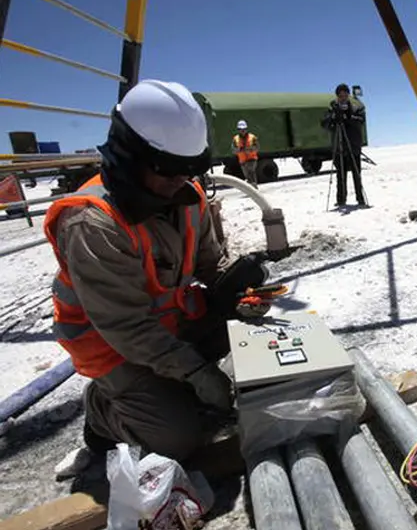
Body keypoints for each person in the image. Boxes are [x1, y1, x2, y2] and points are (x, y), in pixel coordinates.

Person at [43, 80, 270, 462]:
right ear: (130, 157)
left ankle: (167, 387)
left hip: (168, 328)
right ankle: (103, 412)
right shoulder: (92, 223)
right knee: (177, 440)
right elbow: (127, 328)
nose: (180, 183)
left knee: (256, 342)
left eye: (187, 173)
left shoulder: (186, 195)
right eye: (169, 174)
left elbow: (211, 263)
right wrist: (198, 372)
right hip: (114, 347)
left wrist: (238, 290)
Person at [321, 83, 368, 207]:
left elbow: (361, 121)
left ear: (348, 95)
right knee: (340, 174)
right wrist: (333, 117)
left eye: (345, 95)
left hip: (353, 146)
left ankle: (360, 198)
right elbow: (324, 124)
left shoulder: (356, 108)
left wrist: (348, 117)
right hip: (339, 146)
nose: (343, 98)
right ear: (337, 96)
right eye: (340, 95)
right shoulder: (332, 109)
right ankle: (341, 199)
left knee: (356, 174)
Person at [232, 119, 260, 187]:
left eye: (244, 129)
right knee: (247, 175)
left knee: (251, 171)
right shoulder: (235, 139)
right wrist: (239, 150)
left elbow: (257, 147)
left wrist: (250, 150)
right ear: (238, 129)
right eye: (241, 129)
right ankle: (252, 188)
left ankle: (254, 187)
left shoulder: (252, 137)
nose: (243, 131)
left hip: (252, 159)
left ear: (246, 129)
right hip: (242, 160)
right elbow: (233, 150)